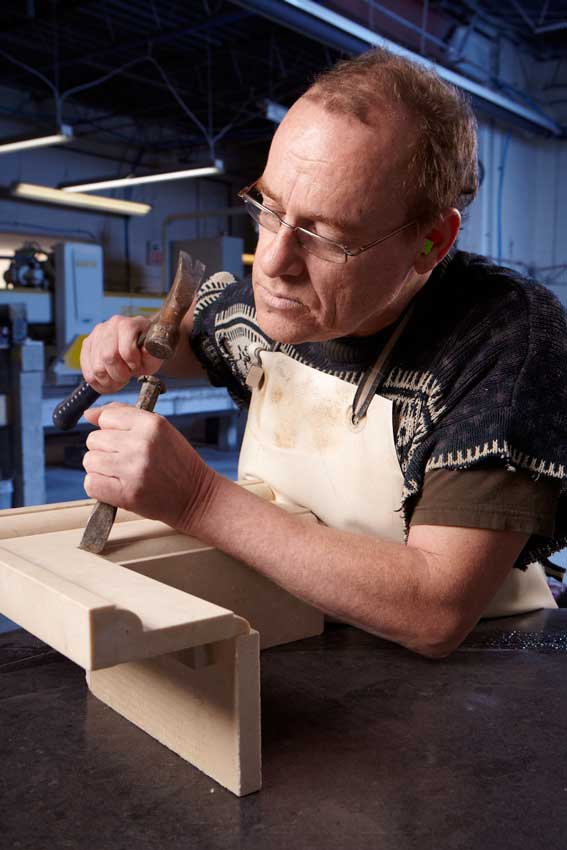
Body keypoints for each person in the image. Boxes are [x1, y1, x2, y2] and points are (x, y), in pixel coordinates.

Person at [79, 48, 567, 658]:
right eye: (270, 209)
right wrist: (133, 341)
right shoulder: (266, 307)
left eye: (325, 237)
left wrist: (197, 499)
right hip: (297, 636)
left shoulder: (505, 340)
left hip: (469, 691)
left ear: (431, 241)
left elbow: (435, 609)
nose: (275, 266)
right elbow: (186, 338)